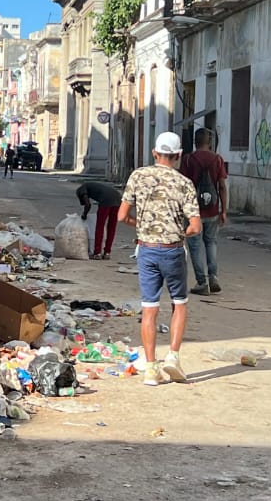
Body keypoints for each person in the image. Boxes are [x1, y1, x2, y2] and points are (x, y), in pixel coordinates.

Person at [118, 131, 202, 386]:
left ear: (155, 153)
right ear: (178, 156)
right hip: (173, 249)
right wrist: (179, 232)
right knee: (179, 303)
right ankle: (173, 358)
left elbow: (121, 216)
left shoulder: (138, 176)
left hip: (146, 249)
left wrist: (140, 226)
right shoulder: (184, 183)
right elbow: (196, 226)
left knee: (149, 308)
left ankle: (151, 368)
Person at [180, 128, 228, 295]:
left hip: (193, 211)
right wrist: (223, 210)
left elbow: (183, 186)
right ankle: (213, 276)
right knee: (211, 242)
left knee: (194, 246)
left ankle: (202, 282)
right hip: (213, 210)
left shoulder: (188, 160)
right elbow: (221, 186)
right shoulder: (218, 160)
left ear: (195, 141)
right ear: (210, 142)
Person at [77, 181, 123, 259]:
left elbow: (87, 205)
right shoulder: (88, 186)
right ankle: (107, 253)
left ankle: (97, 253)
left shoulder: (81, 190)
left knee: (100, 226)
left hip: (105, 200)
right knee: (112, 227)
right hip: (118, 198)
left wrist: (84, 215)